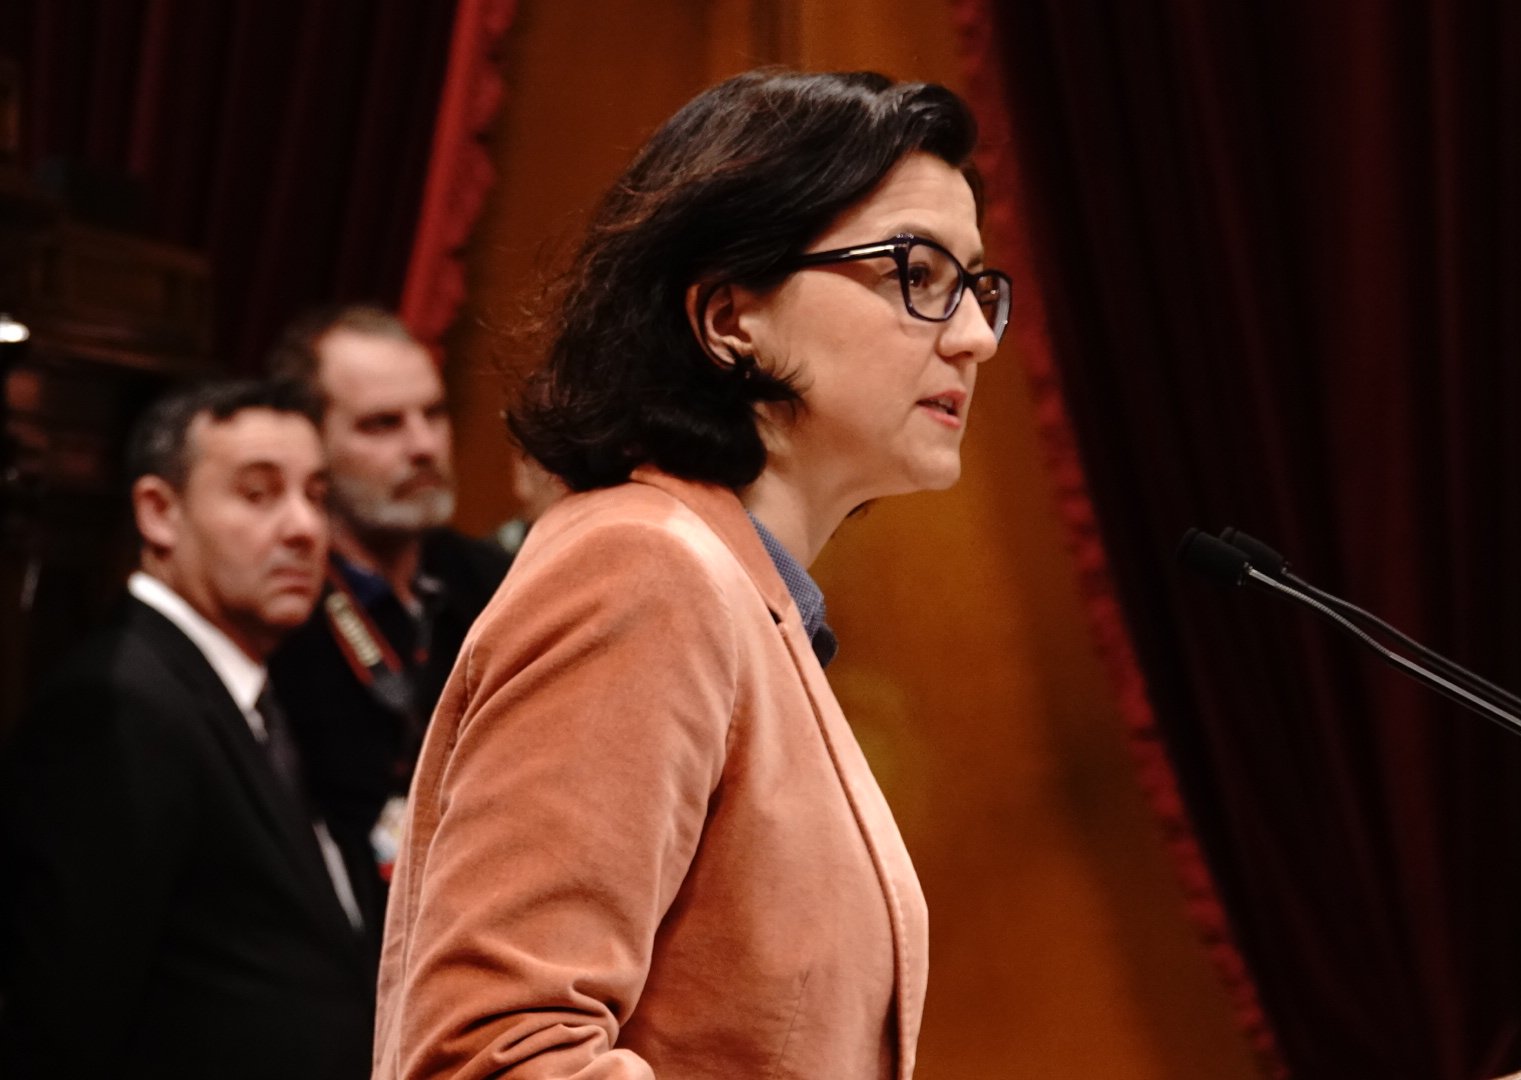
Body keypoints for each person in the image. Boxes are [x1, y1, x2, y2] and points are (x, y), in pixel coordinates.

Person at [372, 70, 1010, 1079]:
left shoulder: (743, 595)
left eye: (977, 288)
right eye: (916, 271)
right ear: (728, 317)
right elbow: (496, 1052)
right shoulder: (642, 570)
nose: (973, 336)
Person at [0, 380, 376, 1077]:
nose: (304, 527)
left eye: (317, 495)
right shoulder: (117, 702)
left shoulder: (249, 690)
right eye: (259, 494)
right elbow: (62, 1017)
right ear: (159, 512)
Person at [264, 305, 509, 915]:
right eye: (382, 424)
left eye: (434, 414)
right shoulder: (274, 609)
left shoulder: (500, 584)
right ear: (309, 442)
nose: (423, 446)